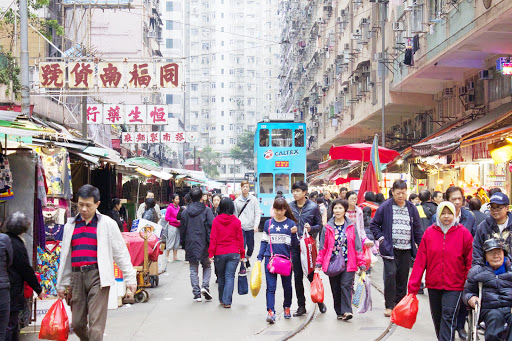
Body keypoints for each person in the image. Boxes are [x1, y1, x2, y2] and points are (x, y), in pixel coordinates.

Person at [56, 185, 137, 341]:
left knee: (96, 326)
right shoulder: (70, 226)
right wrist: (62, 284)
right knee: (77, 324)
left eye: (88, 205)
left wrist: (130, 278)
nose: (84, 209)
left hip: (98, 276)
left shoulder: (107, 224)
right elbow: (65, 258)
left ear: (97, 204)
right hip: (76, 277)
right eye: (80, 204)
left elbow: (120, 252)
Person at [407, 202, 473, 341]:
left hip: (455, 285)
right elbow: (420, 261)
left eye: (449, 213)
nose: (446, 216)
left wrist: (468, 282)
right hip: (434, 284)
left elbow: (470, 260)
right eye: (443, 213)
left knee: (448, 316)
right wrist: (413, 285)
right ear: (438, 214)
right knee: (438, 319)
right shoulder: (430, 233)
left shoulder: (463, 233)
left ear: (455, 214)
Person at [370, 180, 423, 317]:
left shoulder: (411, 208)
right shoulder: (385, 206)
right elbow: (374, 225)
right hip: (390, 249)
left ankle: (400, 304)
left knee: (402, 277)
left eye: (403, 193)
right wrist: (381, 239)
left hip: (406, 249)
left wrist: (421, 246)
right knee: (390, 275)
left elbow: (417, 229)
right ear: (392, 192)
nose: (400, 195)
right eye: (398, 193)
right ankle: (389, 305)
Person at [316, 199, 366, 320]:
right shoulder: (327, 227)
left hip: (349, 262)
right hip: (332, 262)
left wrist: (362, 263)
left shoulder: (351, 226)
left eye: (340, 208)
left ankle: (347, 311)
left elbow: (357, 246)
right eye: (335, 208)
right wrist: (318, 263)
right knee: (335, 288)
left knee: (346, 285)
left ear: (345, 210)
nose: (337, 211)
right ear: (332, 210)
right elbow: (322, 247)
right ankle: (339, 311)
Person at [257, 198, 296, 324]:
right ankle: (270, 312)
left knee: (287, 287)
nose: (280, 212)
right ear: (273, 209)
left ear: (285, 209)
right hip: (271, 260)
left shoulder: (291, 224)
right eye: (277, 209)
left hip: (285, 261)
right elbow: (264, 242)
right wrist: (259, 258)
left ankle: (287, 307)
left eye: (282, 209)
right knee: (270, 287)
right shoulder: (268, 223)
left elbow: (295, 245)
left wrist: (294, 234)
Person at [289, 181, 325, 316]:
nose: (295, 193)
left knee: (311, 275)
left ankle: (319, 300)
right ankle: (301, 306)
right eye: (293, 191)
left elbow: (320, 225)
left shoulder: (313, 207)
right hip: (294, 246)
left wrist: (312, 229)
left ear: (305, 192)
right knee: (297, 276)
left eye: (297, 191)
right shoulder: (290, 207)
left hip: (308, 246)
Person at [464, 239, 512, 341]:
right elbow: (467, 292)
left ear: (504, 253)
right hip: (489, 309)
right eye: (491, 253)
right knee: (495, 318)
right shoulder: (477, 271)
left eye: (499, 252)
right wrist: (471, 298)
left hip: (510, 307)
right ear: (485, 255)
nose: (496, 256)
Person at [208, 198, 244, 308]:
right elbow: (240, 239)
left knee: (222, 277)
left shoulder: (216, 220)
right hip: (234, 253)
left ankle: (222, 299)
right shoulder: (236, 221)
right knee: (230, 276)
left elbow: (213, 238)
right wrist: (242, 254)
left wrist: (211, 254)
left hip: (219, 253)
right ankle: (227, 301)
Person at [180, 187, 215, 302]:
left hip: (190, 242)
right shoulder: (207, 211)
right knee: (206, 265)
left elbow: (182, 229)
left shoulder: (185, 212)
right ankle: (205, 286)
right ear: (201, 197)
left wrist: (183, 243)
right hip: (204, 242)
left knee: (193, 268)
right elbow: (212, 225)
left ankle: (197, 294)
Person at [3, 214, 28, 341]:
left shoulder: (5, 240)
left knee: (10, 323)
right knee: (11, 323)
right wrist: (38, 288)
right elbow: (25, 269)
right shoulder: (17, 245)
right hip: (13, 288)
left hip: (7, 286)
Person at [473, 192, 512, 265]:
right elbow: (477, 251)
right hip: (488, 272)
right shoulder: (483, 227)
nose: (495, 210)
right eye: (492, 207)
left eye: (498, 207)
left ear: (507, 208)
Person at [234, 180, 261, 268]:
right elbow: (235, 215)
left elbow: (257, 213)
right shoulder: (237, 201)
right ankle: (243, 264)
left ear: (249, 188)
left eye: (246, 187)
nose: (245, 188)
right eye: (243, 187)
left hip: (250, 228)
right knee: (242, 246)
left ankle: (247, 258)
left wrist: (256, 225)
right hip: (241, 228)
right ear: (241, 188)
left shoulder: (254, 200)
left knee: (251, 248)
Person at [164, 194, 181, 262]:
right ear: (172, 200)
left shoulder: (179, 208)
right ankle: (167, 256)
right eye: (176, 199)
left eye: (178, 199)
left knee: (177, 241)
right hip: (172, 226)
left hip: (178, 226)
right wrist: (175, 220)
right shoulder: (170, 208)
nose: (178, 200)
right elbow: (166, 218)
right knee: (170, 241)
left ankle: (175, 256)